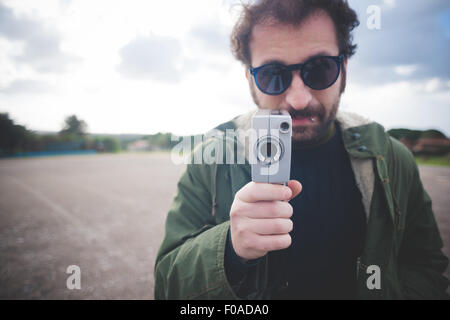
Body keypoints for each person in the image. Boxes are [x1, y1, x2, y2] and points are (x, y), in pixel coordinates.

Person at [154, 0, 449, 299]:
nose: (298, 99)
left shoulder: (391, 158)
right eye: (272, 74)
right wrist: (229, 249)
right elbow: (167, 283)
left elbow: (425, 265)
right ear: (251, 82)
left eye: (320, 69)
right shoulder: (213, 157)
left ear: (343, 70)